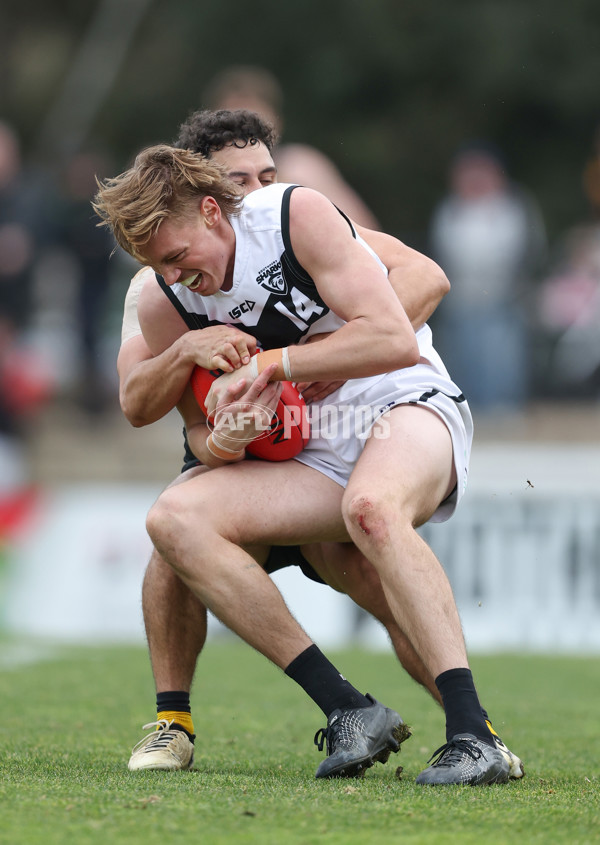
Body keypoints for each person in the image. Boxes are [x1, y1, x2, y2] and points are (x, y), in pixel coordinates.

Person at [95, 142, 514, 786]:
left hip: (398, 402)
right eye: (158, 267)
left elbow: (394, 334)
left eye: (177, 258)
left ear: (212, 210)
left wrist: (279, 362)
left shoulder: (295, 215)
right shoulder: (161, 298)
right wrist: (228, 438)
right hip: (307, 451)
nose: (174, 277)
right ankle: (345, 708)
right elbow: (192, 434)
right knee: (174, 519)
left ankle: (473, 735)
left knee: (370, 510)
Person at [429, 141, 547, 413]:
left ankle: (503, 408)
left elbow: (530, 251)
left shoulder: (514, 207)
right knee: (462, 354)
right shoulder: (450, 210)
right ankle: (467, 407)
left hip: (504, 297)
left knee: (501, 357)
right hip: (460, 297)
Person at [202, 65, 379, 229]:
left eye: (254, 125)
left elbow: (365, 235)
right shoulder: (199, 181)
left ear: (278, 123)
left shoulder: (302, 168)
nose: (244, 136)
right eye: (232, 125)